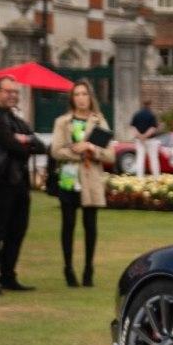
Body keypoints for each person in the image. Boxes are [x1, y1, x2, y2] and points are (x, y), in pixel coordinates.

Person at [0, 76, 44, 295]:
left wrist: (23, 140)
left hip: (18, 182)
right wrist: (23, 143)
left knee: (17, 230)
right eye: (8, 91)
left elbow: (38, 144)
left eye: (15, 92)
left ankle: (8, 275)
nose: (12, 95)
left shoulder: (14, 118)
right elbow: (10, 144)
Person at [50, 81, 115, 288]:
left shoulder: (99, 121)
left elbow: (110, 155)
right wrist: (77, 151)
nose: (81, 98)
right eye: (77, 94)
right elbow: (56, 150)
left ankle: (89, 268)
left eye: (84, 94)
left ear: (90, 97)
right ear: (72, 98)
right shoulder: (63, 122)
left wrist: (91, 150)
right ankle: (68, 268)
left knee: (90, 226)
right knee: (68, 225)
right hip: (69, 179)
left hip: (91, 180)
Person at [129, 97, 162, 178]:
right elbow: (152, 128)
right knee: (153, 159)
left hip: (139, 140)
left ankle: (139, 178)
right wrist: (145, 136)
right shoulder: (152, 115)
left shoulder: (136, 114)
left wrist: (140, 136)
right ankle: (156, 178)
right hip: (151, 140)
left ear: (142, 104)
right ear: (150, 104)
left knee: (140, 158)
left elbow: (133, 127)